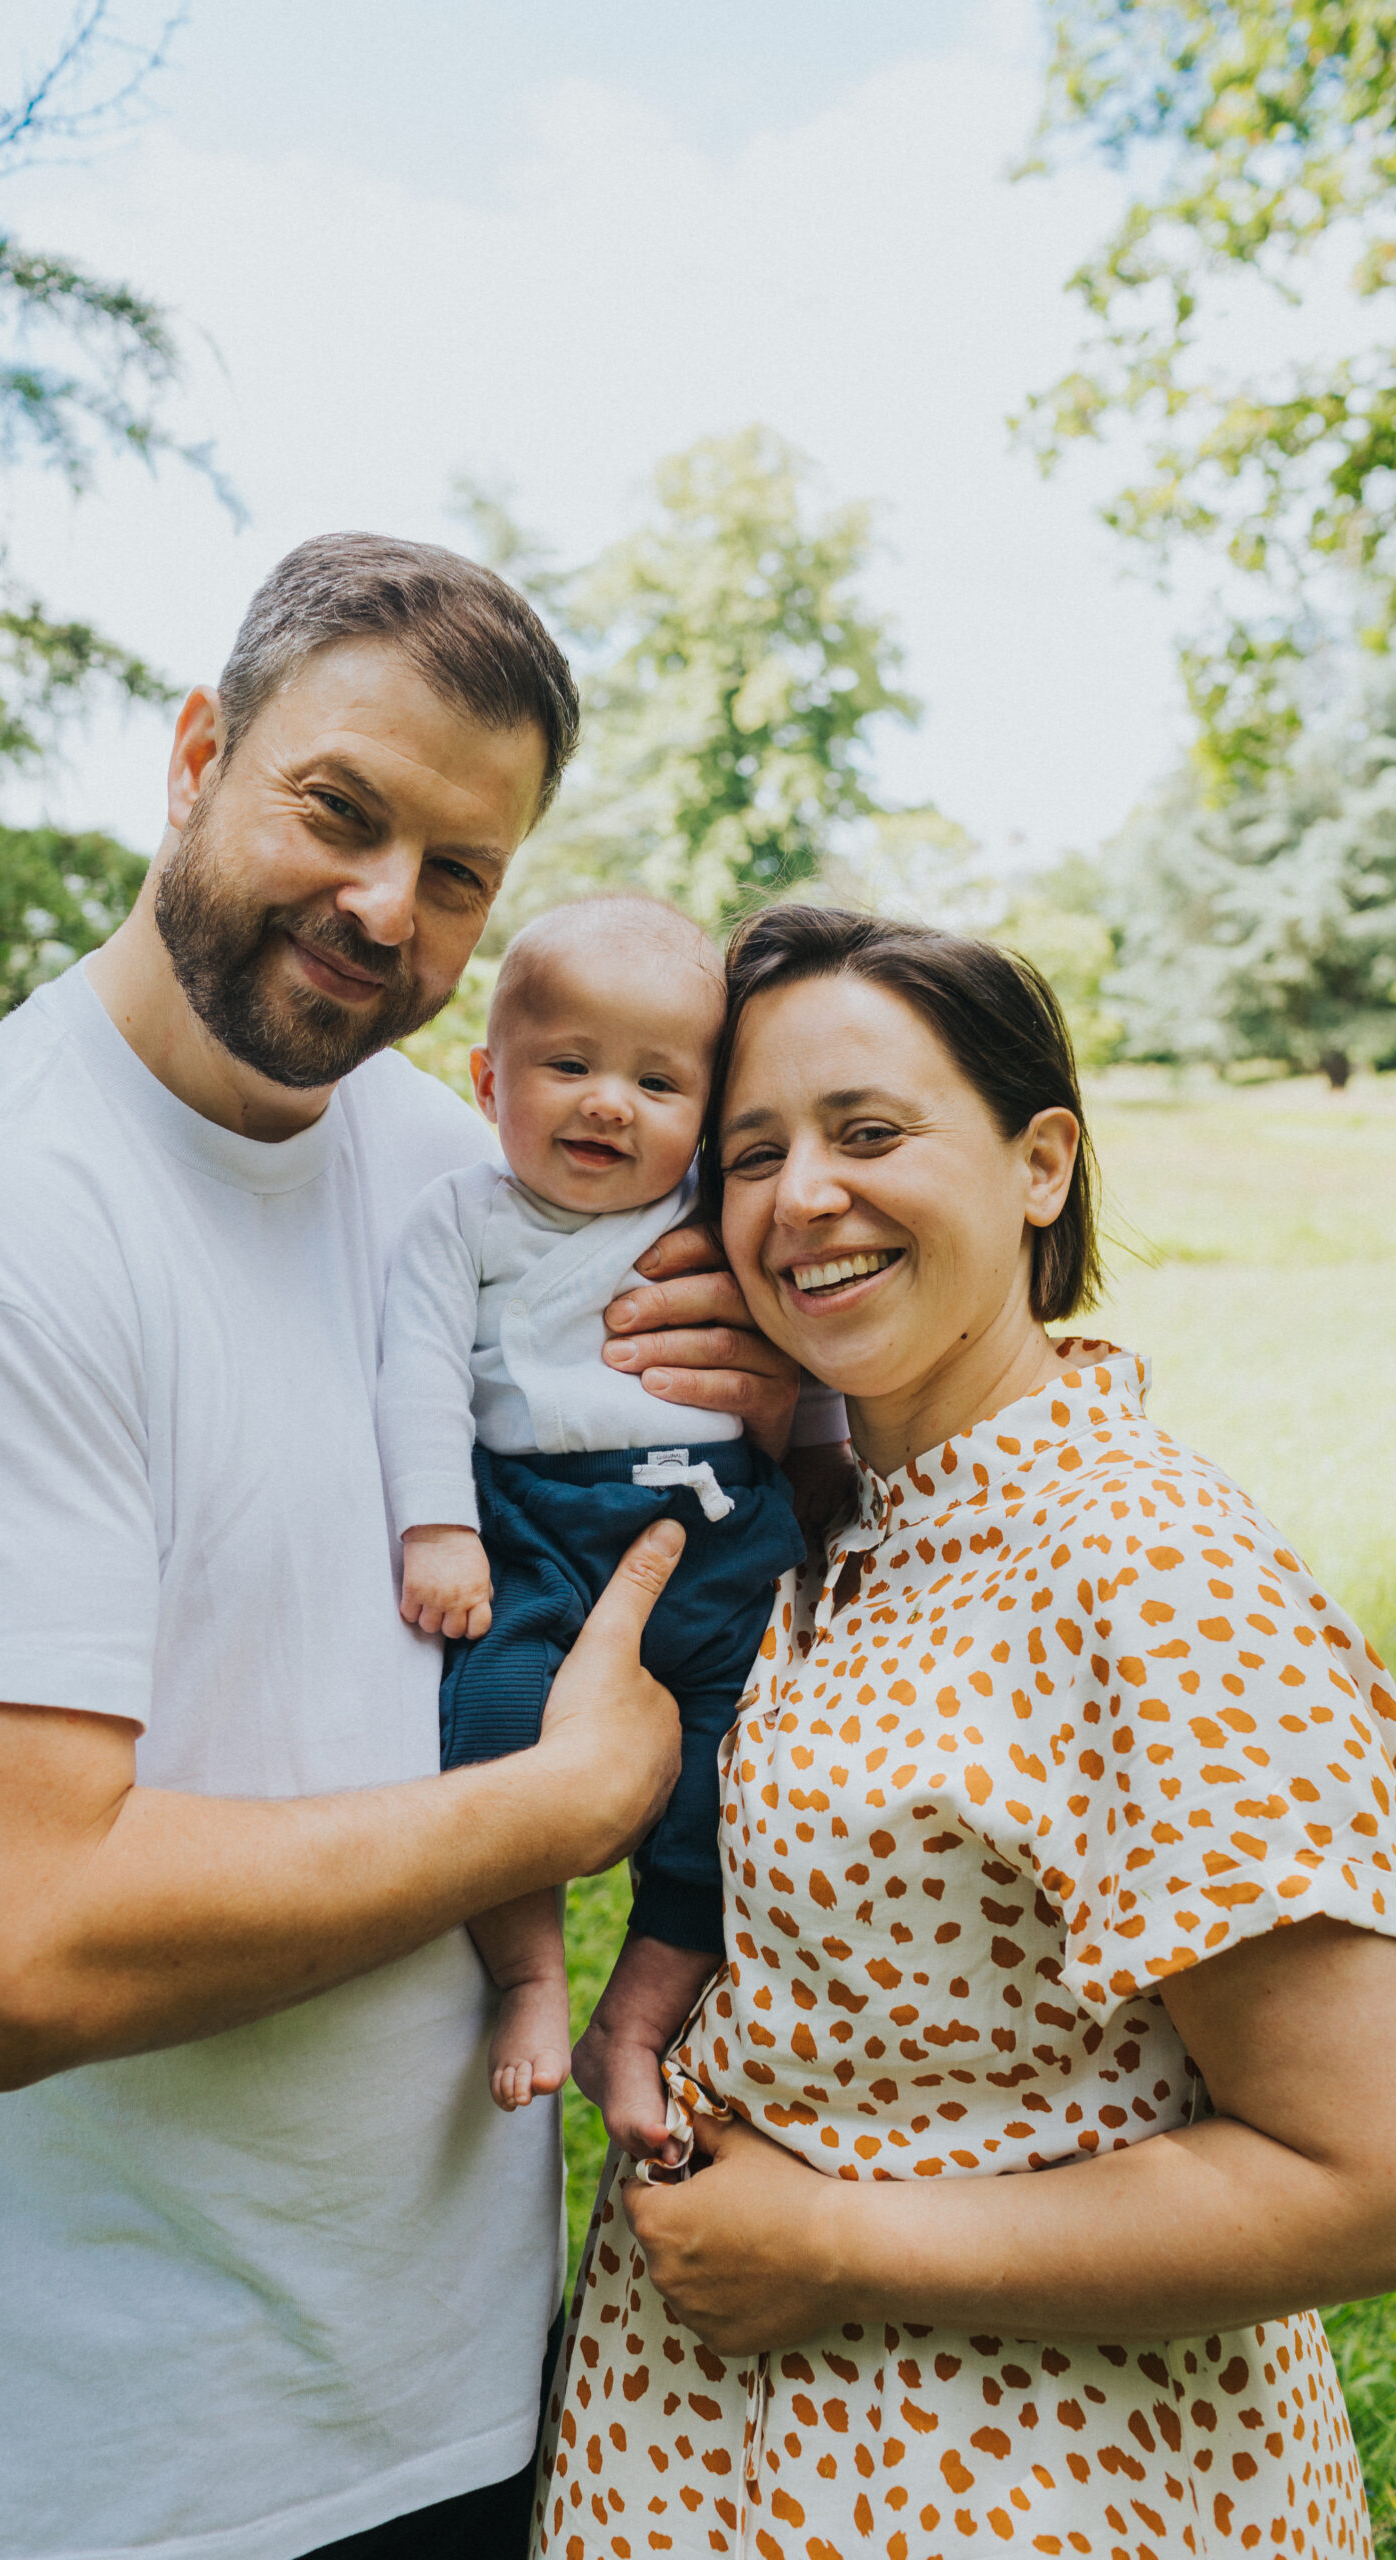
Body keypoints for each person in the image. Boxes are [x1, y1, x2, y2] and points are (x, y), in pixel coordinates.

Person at [0, 534, 806, 2560]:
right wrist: (562, 1801)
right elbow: (22, 1945)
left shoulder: (456, 1169)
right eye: (338, 807)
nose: (384, 903)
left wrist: (751, 1399)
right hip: (122, 2463)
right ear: (197, 750)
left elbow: (752, 1427)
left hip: (472, 2362)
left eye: (459, 869)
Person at [535, 903, 1396, 2560]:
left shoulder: (1152, 1566)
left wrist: (830, 2242)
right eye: (750, 1153)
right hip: (740, 2460)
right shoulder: (855, 1522)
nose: (803, 1194)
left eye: (869, 1130)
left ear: (1040, 1164)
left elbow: (1380, 2178)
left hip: (1030, 2482)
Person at [378, 895, 829, 2156]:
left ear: (705, 1107)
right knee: (491, 1725)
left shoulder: (707, 1205)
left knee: (729, 1784)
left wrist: (825, 1450)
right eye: (568, 1065)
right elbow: (416, 1372)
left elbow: (803, 1336)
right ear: (488, 1079)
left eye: (655, 1079)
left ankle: (632, 2022)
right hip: (529, 1523)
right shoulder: (461, 1219)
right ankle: (528, 1968)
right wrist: (438, 1528)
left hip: (716, 1520)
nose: (607, 1104)